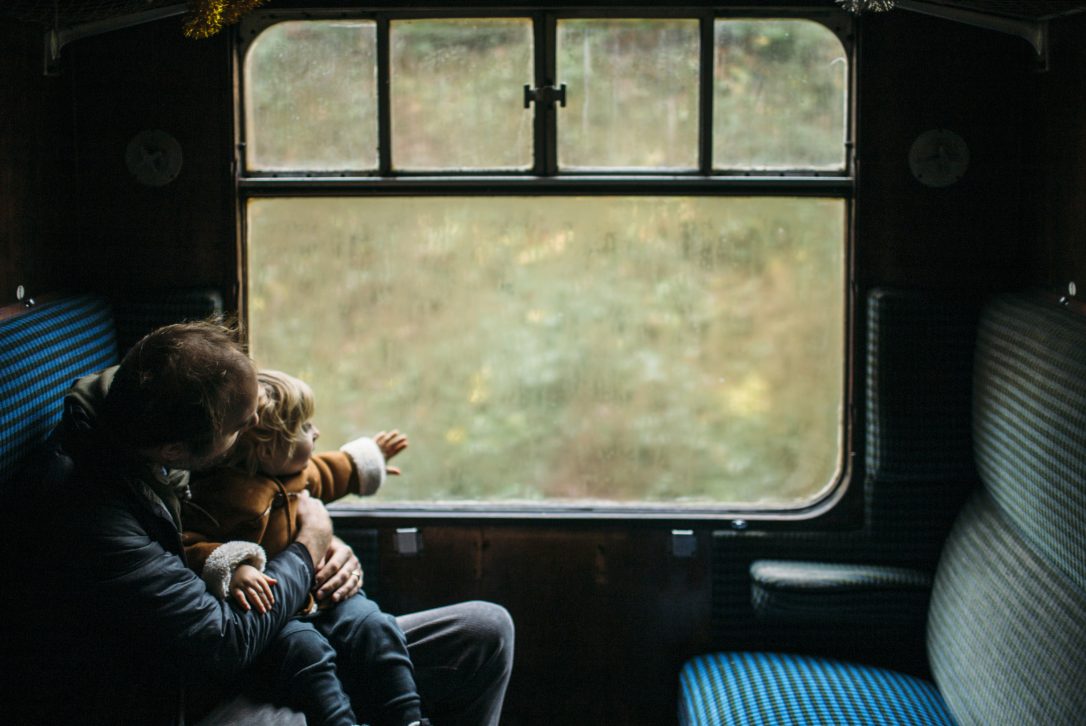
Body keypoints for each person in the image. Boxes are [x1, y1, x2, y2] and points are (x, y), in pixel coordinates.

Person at [5, 321, 514, 726]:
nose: (253, 429)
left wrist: (328, 545)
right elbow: (220, 642)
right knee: (307, 692)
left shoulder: (156, 401)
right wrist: (308, 548)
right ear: (175, 452)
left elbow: (299, 485)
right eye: (239, 426)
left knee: (486, 631)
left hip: (285, 620)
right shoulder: (96, 518)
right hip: (204, 686)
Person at [183, 369, 419, 726]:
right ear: (267, 446)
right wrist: (234, 565)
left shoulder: (298, 472)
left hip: (321, 596)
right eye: (305, 427)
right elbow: (189, 543)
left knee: (376, 624)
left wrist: (369, 458)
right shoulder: (220, 494)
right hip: (275, 617)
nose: (317, 432)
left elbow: (333, 471)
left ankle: (409, 719)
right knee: (307, 653)